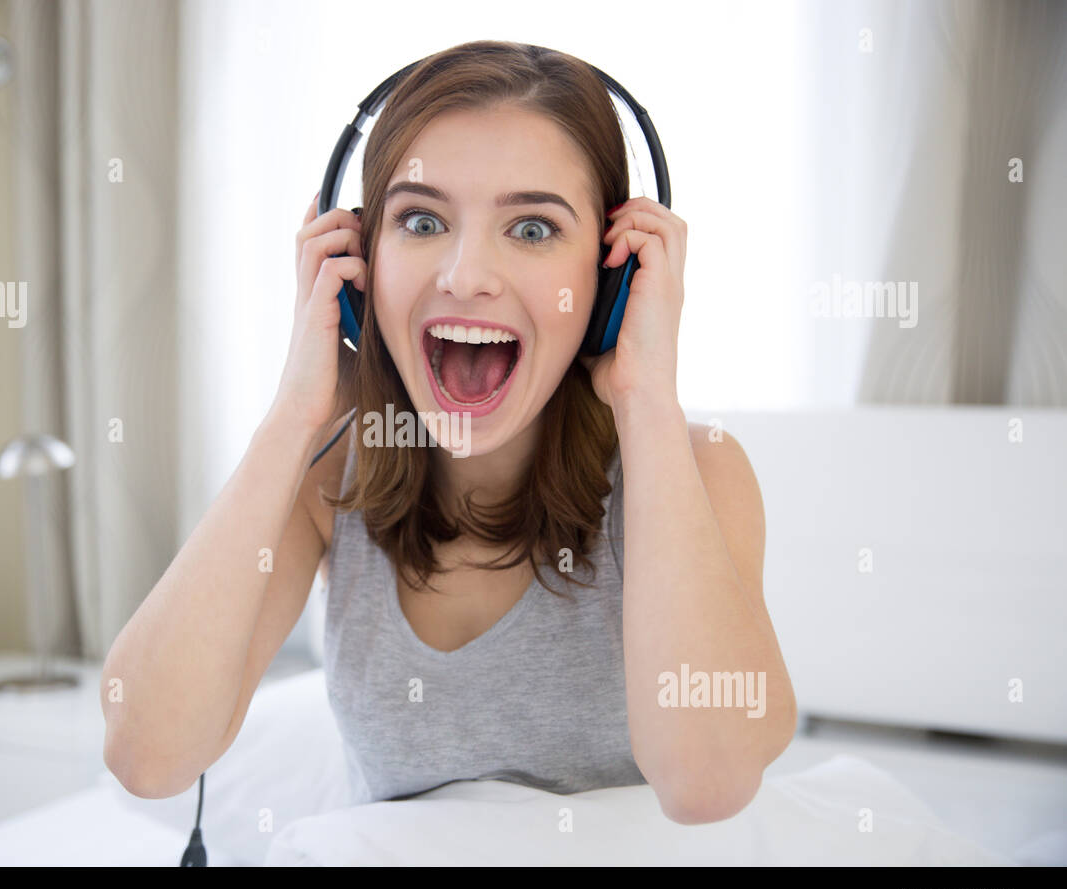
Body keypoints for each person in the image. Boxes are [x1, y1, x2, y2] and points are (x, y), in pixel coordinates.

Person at [102, 40, 797, 826]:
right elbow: (146, 755)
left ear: (610, 277)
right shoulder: (330, 484)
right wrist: (296, 412)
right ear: (360, 264)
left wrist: (646, 400)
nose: (466, 275)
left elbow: (709, 785)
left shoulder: (697, 471)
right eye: (422, 220)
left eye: (532, 229)